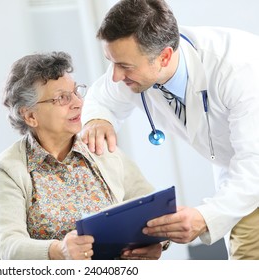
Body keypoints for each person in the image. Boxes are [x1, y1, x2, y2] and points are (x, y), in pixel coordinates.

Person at [81, 0, 259, 260]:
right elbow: (102, 97)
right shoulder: (137, 63)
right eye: (111, 63)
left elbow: (254, 164)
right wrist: (98, 119)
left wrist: (204, 217)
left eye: (125, 66)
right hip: (240, 178)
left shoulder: (237, 69)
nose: (116, 76)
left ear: (164, 56)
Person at [0, 51, 167, 260]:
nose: (78, 103)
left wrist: (159, 242)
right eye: (62, 98)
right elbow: (8, 246)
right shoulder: (9, 167)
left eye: (76, 92)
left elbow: (151, 206)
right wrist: (58, 251)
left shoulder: (97, 143)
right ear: (30, 116)